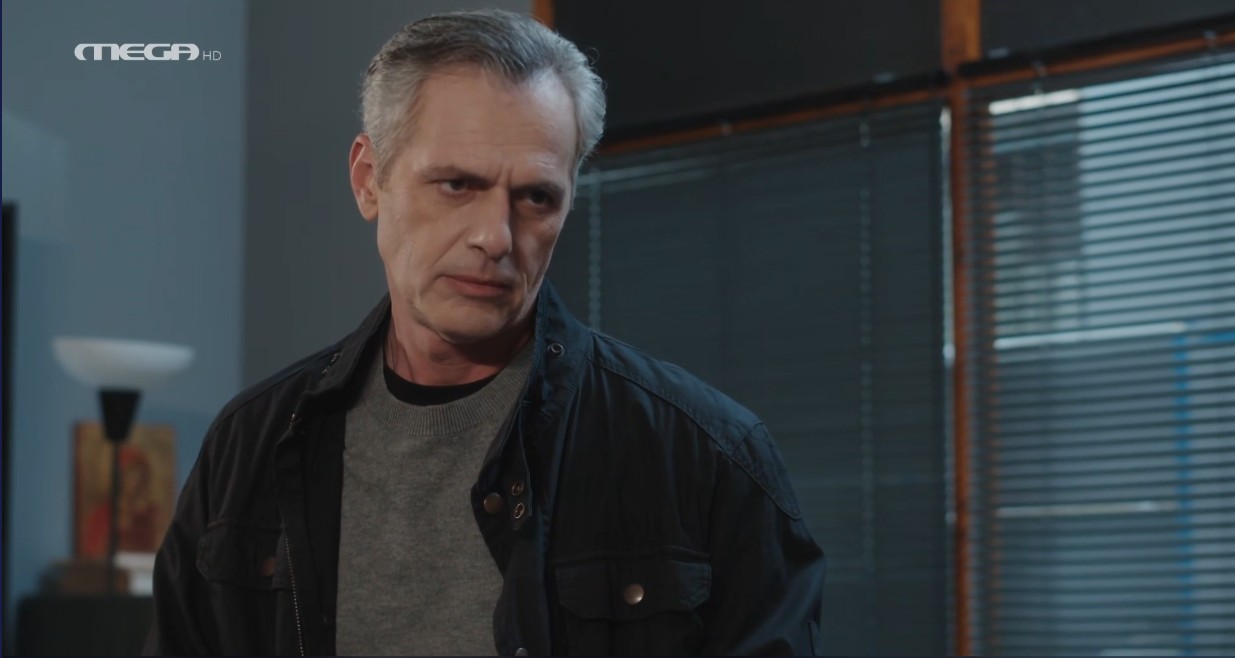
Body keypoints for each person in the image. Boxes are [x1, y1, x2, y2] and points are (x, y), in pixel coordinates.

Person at [144, 8, 825, 656]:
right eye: (456, 185)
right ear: (369, 180)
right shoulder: (251, 445)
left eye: (536, 197)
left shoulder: (708, 458)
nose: (495, 237)